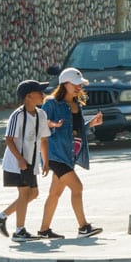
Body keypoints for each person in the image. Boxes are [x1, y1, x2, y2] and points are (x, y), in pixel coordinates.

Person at [36, 67, 103, 239]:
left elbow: (75, 130)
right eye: (76, 85)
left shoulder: (76, 104)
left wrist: (91, 123)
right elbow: (41, 123)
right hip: (55, 155)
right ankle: (83, 227)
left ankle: (44, 231)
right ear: (64, 84)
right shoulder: (51, 103)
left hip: (69, 155)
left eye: (80, 85)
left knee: (55, 193)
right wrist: (52, 124)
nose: (79, 88)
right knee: (77, 187)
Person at [0, 79, 47, 241]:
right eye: (39, 92)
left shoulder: (40, 114)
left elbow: (43, 139)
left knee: (33, 193)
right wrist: (20, 159)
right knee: (24, 192)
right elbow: (9, 139)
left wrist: (44, 161)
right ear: (29, 96)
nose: (42, 95)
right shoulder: (18, 115)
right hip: (17, 162)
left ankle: (1, 216)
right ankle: (20, 231)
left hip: (30, 161)